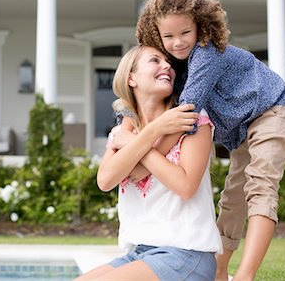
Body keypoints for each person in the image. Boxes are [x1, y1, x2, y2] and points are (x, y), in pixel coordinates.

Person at [131, 0, 285, 281]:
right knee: (233, 196)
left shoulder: (207, 51)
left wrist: (143, 155)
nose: (178, 42)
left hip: (273, 110)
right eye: (168, 36)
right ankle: (220, 273)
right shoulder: (176, 67)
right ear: (156, 34)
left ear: (200, 25)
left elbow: (186, 115)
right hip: (245, 127)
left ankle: (245, 275)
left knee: (261, 187)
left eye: (185, 33)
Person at [74, 45, 222, 281]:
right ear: (131, 78)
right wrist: (153, 131)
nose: (167, 66)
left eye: (168, 63)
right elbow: (104, 181)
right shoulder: (122, 132)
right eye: (155, 60)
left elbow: (186, 186)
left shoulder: (190, 120)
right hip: (139, 254)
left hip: (186, 253)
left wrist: (140, 140)